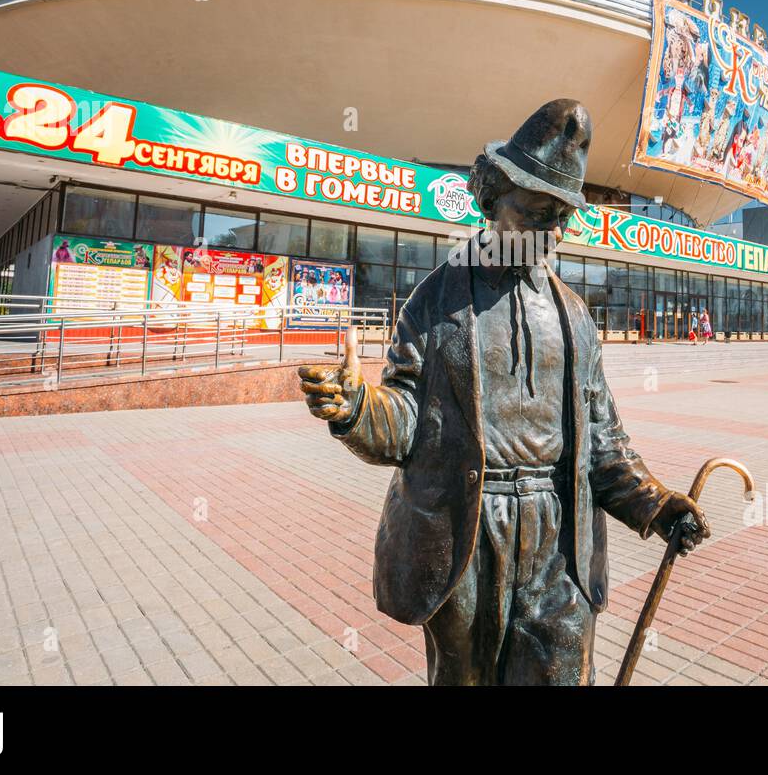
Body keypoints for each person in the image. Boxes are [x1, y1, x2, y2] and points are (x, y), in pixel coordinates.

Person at [298, 99, 709, 686]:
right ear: (494, 200)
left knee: (561, 673)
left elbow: (603, 443)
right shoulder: (437, 301)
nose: (551, 231)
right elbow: (406, 417)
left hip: (557, 537)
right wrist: (358, 407)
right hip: (467, 532)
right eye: (537, 212)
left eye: (561, 217)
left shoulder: (574, 317)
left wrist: (656, 505)